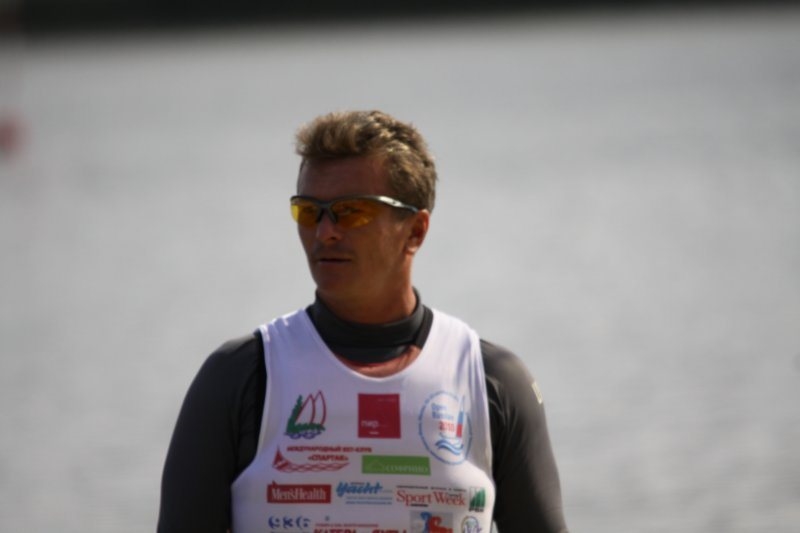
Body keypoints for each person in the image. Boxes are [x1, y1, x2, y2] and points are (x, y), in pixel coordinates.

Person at [158, 110, 568, 533]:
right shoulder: (237, 377)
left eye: (350, 212)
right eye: (309, 212)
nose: (325, 233)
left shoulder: (492, 381)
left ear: (415, 231)